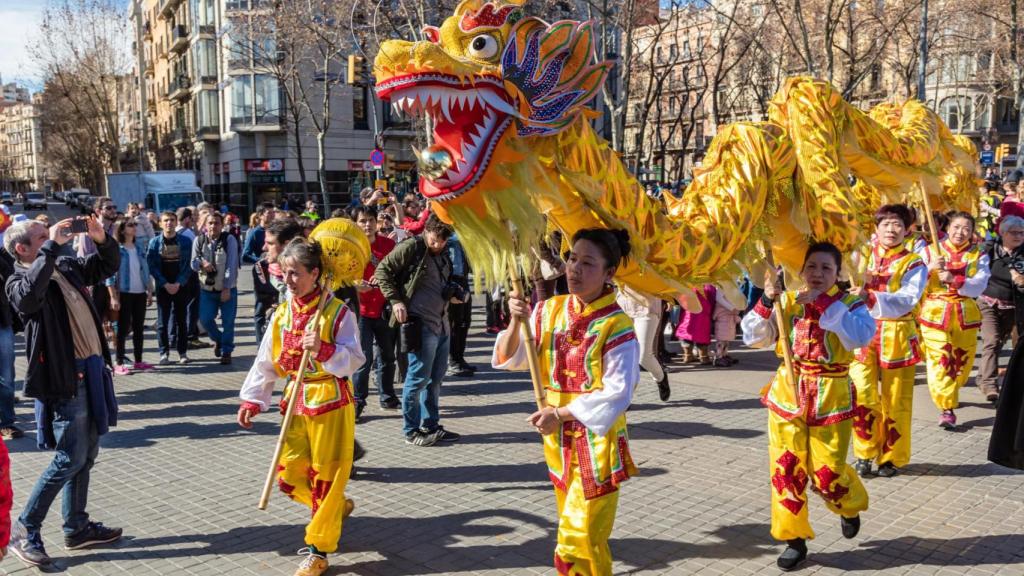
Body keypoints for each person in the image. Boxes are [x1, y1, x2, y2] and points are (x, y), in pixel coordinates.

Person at [493, 228, 639, 576]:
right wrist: (516, 322)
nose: (574, 269)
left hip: (596, 445)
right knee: (584, 540)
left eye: (587, 263)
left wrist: (560, 412)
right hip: (558, 443)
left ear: (609, 273)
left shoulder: (617, 325)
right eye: (572, 258)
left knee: (577, 536)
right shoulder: (547, 310)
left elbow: (619, 392)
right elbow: (512, 358)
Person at [741, 242, 874, 572]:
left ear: (838, 273)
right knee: (786, 469)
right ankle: (794, 539)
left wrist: (825, 303)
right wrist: (767, 299)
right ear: (800, 271)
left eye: (826, 268)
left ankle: (848, 505)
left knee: (828, 472)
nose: (817, 274)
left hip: (831, 397)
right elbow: (753, 337)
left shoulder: (851, 304)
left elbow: (859, 338)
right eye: (811, 267)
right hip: (788, 393)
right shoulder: (787, 301)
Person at [238, 239, 364, 576]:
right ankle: (334, 506)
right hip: (295, 401)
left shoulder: (338, 312)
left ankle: (318, 550)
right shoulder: (283, 312)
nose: (288, 280)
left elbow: (356, 360)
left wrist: (324, 349)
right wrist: (254, 398)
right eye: (285, 273)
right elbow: (266, 359)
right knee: (289, 476)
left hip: (331, 404)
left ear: (315, 273)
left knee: (325, 477)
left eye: (295, 274)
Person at [5, 218, 123, 567]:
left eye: (50, 235)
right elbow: (27, 299)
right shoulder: (16, 280)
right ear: (22, 249)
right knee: (68, 457)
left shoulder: (64, 266)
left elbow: (104, 266)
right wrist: (52, 248)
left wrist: (103, 240)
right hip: (64, 378)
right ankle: (25, 530)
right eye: (42, 238)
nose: (54, 239)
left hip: (91, 371)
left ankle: (77, 527)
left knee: (86, 456)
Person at [847, 205, 927, 478]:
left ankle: (892, 457)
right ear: (876, 228)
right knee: (861, 394)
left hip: (897, 335)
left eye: (897, 225)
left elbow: (908, 299)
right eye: (886, 224)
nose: (891, 230)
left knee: (897, 399)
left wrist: (869, 296)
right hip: (862, 332)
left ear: (907, 230)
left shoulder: (914, 262)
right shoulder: (859, 255)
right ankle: (864, 453)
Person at [375, 214, 462, 446]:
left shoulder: (443, 252)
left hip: (442, 323)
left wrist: (453, 293)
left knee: (436, 379)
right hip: (420, 323)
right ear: (427, 231)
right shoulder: (412, 247)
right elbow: (383, 270)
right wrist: (395, 301)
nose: (438, 245)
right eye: (434, 240)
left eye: (443, 242)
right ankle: (411, 430)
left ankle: (431, 424)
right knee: (417, 379)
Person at [918, 212, 991, 430]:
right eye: (956, 227)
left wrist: (955, 280)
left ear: (972, 232)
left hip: (964, 314)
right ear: (948, 228)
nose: (960, 232)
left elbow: (980, 285)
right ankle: (946, 408)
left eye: (966, 229)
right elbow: (911, 281)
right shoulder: (929, 251)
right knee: (940, 359)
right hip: (934, 313)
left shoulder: (979, 255)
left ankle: (951, 391)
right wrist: (929, 268)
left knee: (962, 363)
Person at [351, 207, 400, 418]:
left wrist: (385, 280)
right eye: (362, 221)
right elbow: (341, 277)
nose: (367, 225)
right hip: (360, 312)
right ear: (356, 224)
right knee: (363, 358)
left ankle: (387, 396)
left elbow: (398, 271)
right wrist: (355, 284)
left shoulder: (388, 245)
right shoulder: (350, 247)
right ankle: (358, 401)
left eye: (370, 220)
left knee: (388, 355)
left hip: (384, 309)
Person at [978, 215, 1024, 403]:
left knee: (997, 343)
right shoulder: (989, 249)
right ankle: (990, 385)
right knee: (991, 340)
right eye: (1014, 233)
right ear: (1003, 233)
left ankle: (982, 377)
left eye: (1022, 233)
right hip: (988, 301)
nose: (1019, 236)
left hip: (1013, 306)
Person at [106, 216, 155, 375]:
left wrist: (149, 290)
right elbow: (110, 276)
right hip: (124, 293)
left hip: (140, 292)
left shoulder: (139, 247)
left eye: (135, 224)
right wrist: (113, 296)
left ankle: (138, 361)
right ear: (122, 229)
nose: (134, 227)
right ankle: (118, 362)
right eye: (130, 225)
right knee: (122, 329)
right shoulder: (117, 250)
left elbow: (145, 270)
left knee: (139, 328)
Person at [191, 211, 240, 365]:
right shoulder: (199, 241)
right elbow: (192, 264)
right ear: (205, 225)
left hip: (227, 289)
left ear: (222, 225)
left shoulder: (229, 239)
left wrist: (226, 287)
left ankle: (226, 351)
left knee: (228, 322)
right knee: (205, 319)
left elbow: (231, 266)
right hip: (207, 289)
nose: (213, 226)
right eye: (210, 223)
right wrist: (201, 263)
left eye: (216, 223)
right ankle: (219, 340)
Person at [149, 211, 194, 365]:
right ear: (160, 223)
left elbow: (189, 265)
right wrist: (165, 284)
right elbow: (152, 266)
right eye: (166, 220)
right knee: (162, 321)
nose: (169, 223)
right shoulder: (154, 243)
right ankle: (164, 353)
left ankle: (183, 353)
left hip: (181, 286)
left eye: (172, 220)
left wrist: (178, 283)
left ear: (176, 222)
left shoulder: (186, 241)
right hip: (163, 287)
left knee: (182, 321)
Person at [617, 284, 670, 400]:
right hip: (623, 305)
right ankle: (624, 397)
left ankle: (660, 378)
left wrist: (670, 295)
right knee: (624, 355)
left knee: (643, 356)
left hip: (647, 306)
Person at [254, 218, 302, 344]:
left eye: (270, 243)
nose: (264, 248)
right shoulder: (265, 269)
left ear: (286, 245)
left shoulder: (307, 279)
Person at [0, 243, 22, 439]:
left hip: (2, 322)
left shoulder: (3, 255)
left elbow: (13, 277)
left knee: (6, 377)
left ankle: (6, 422)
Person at [446, 232, 475, 377]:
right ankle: (453, 361)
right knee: (455, 323)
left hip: (463, 279)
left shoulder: (461, 230)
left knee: (465, 321)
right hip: (451, 280)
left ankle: (459, 358)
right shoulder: (449, 232)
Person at [676, 284, 715, 364]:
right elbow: (712, 300)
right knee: (702, 334)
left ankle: (687, 355)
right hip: (703, 314)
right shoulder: (708, 286)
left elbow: (681, 298)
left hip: (689, 313)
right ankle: (704, 358)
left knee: (686, 333)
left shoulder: (688, 284)